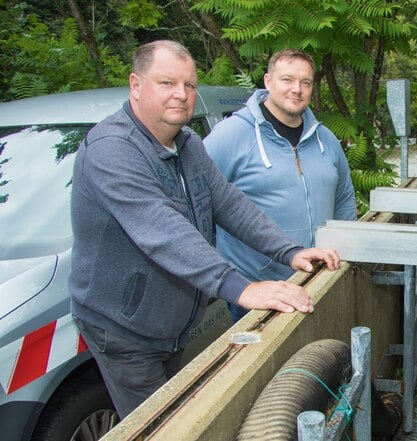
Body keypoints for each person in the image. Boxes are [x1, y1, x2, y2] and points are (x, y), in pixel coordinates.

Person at [68, 40, 340, 419]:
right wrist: (241, 287)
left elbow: (230, 205)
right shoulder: (112, 149)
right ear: (136, 85)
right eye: (167, 83)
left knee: (177, 410)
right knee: (162, 425)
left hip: (172, 322)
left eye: (189, 85)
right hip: (125, 327)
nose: (181, 95)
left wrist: (289, 251)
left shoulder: (188, 144)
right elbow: (163, 231)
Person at [204, 49, 356, 322]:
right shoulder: (230, 135)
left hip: (318, 281)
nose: (296, 89)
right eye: (287, 79)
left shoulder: (325, 139)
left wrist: (344, 251)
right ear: (268, 81)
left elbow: (344, 198)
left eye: (305, 82)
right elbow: (199, 200)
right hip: (259, 293)